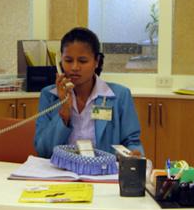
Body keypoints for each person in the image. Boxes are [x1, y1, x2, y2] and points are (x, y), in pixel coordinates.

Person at [35, 27, 144, 158]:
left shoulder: (120, 96)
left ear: (96, 62)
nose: (74, 67)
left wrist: (134, 155)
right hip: (61, 172)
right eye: (68, 61)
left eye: (82, 61)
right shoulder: (49, 96)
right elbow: (43, 151)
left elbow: (131, 142)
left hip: (102, 172)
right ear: (60, 62)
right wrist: (64, 109)